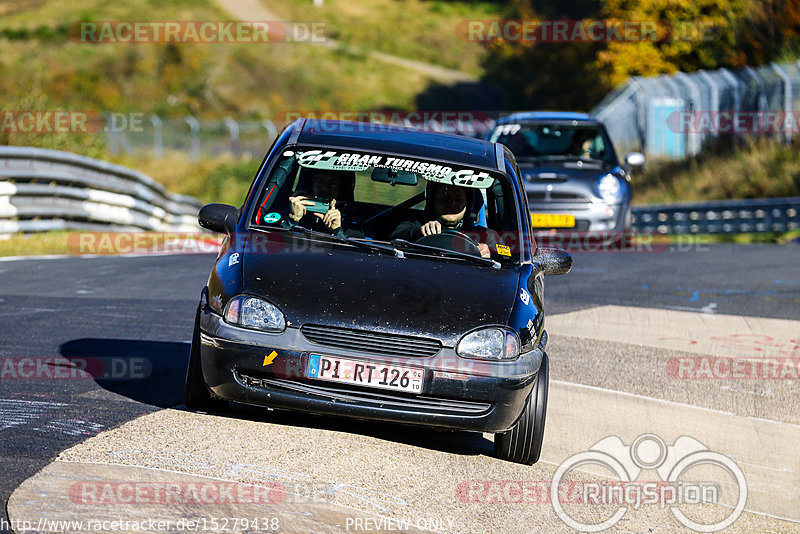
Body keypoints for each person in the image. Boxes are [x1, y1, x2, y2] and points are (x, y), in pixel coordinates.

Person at [391, 182, 493, 258]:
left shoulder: (484, 235)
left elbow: (506, 253)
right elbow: (396, 236)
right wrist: (419, 232)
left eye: (458, 200)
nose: (452, 204)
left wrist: (490, 255)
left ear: (467, 205)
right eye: (444, 198)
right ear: (433, 202)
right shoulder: (416, 226)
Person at [285, 169, 363, 238]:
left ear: (341, 189)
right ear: (309, 185)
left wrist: (337, 231)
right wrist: (292, 221)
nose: (325, 188)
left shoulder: (352, 228)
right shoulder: (287, 214)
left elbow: (355, 253)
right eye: (320, 182)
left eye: (333, 183)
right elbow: (276, 244)